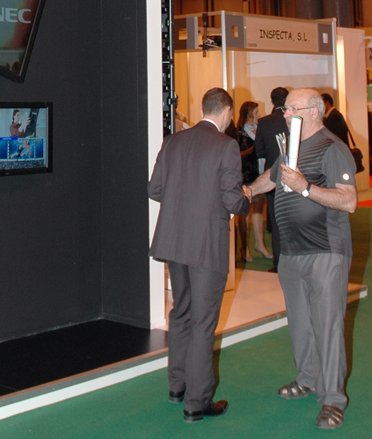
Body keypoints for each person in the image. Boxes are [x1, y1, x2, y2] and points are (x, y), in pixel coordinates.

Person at [245, 89, 357, 430]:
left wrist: (306, 188)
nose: (284, 113)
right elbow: (272, 178)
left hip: (325, 251)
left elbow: (349, 201)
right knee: (301, 322)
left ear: (313, 111)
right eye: (285, 108)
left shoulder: (332, 147)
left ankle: (333, 399)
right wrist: (248, 190)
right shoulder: (290, 147)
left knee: (328, 326)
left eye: (291, 108)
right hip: (291, 252)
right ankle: (308, 377)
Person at [149, 87, 249, 422]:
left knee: (181, 313)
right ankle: (197, 401)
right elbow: (232, 200)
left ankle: (177, 387)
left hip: (175, 242)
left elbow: (154, 189)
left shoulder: (173, 141)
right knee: (203, 323)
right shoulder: (226, 145)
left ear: (204, 108)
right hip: (207, 245)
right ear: (227, 112)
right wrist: (248, 198)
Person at [254, 86, 288, 270]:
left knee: (276, 223)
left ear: (272, 101)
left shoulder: (264, 122)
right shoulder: (295, 119)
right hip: (295, 175)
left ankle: (279, 263)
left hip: (272, 179)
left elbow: (260, 153)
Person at [236, 101, 271, 262]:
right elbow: (238, 154)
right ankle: (245, 248)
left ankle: (259, 243)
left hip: (259, 173)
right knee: (244, 210)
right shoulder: (239, 132)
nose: (259, 115)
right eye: (256, 112)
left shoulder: (260, 129)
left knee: (258, 207)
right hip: (245, 175)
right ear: (249, 114)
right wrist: (253, 148)